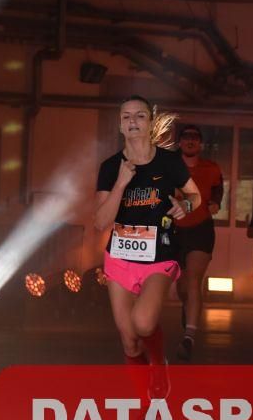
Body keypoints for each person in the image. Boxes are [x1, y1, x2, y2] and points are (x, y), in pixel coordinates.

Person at [94, 96, 200, 398]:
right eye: (126, 116)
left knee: (143, 323)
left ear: (150, 123)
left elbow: (195, 196)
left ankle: (158, 362)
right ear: (120, 125)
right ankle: (145, 401)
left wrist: (185, 206)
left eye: (140, 115)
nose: (133, 121)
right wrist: (120, 183)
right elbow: (101, 221)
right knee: (129, 341)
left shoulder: (169, 162)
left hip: (159, 256)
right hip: (119, 259)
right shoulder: (110, 167)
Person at [173, 124, 224, 361]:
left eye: (195, 137)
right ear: (180, 142)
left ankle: (189, 336)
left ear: (200, 144)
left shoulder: (211, 168)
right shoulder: (170, 167)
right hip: (175, 230)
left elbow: (218, 191)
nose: (191, 141)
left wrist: (216, 202)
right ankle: (187, 307)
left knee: (193, 279)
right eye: (186, 137)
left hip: (201, 229)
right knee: (182, 286)